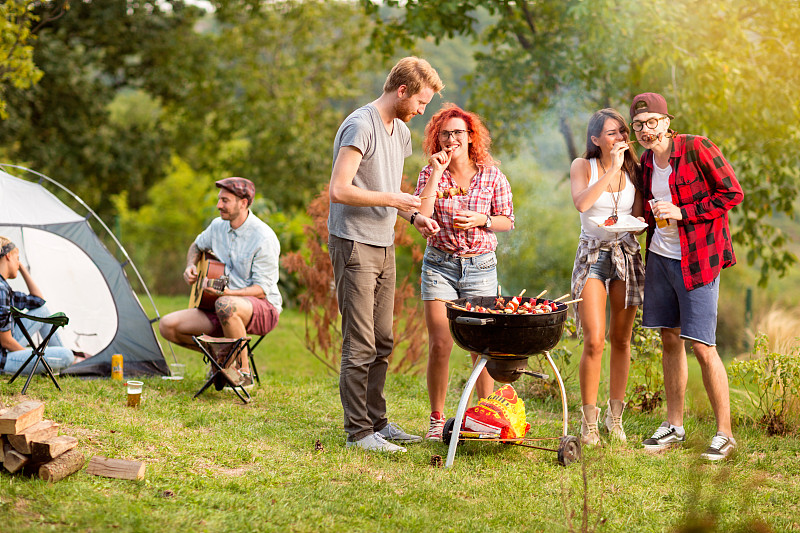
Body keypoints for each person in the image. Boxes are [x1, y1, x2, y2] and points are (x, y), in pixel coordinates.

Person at [328, 56, 443, 453]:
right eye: (420, 103)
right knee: (359, 341)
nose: (421, 111)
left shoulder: (401, 132)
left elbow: (386, 188)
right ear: (402, 90)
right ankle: (358, 432)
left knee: (382, 339)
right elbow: (340, 189)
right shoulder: (361, 125)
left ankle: (378, 423)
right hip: (353, 241)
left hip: (383, 241)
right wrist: (394, 198)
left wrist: (411, 217)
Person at [630, 93, 744, 461]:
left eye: (651, 123)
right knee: (669, 339)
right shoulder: (646, 163)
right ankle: (674, 426)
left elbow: (732, 193)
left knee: (702, 346)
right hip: (661, 257)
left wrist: (684, 211)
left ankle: (724, 434)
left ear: (666, 121)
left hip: (698, 260)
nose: (646, 131)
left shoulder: (697, 148)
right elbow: (649, 211)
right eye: (638, 126)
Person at [413, 103, 515, 441]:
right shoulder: (430, 172)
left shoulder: (491, 175)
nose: (452, 138)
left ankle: (482, 419)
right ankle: (437, 419)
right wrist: (437, 173)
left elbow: (506, 220)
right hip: (439, 264)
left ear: (470, 137)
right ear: (437, 138)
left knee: (481, 347)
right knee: (441, 343)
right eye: (445, 133)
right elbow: (421, 214)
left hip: (480, 266)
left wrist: (481, 220)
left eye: (458, 132)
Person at [159, 177, 282, 389]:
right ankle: (223, 360)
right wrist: (190, 266)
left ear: (243, 203)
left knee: (225, 304)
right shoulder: (217, 226)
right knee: (168, 326)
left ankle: (243, 373)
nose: (219, 205)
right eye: (219, 200)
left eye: (225, 200)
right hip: (219, 304)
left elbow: (262, 289)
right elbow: (197, 246)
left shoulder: (264, 237)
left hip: (261, 307)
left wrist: (229, 292)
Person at [569, 108, 645, 446]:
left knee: (622, 339)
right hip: (593, 256)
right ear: (596, 138)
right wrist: (611, 167)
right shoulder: (583, 166)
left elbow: (638, 216)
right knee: (594, 339)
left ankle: (616, 420)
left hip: (626, 254)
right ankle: (589, 423)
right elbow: (583, 204)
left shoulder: (635, 169)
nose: (619, 139)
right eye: (611, 133)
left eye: (622, 132)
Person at [0, 237, 75, 375]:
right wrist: (36, 356)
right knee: (67, 355)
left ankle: (57, 367)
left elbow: (38, 301)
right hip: (3, 359)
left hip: (6, 350)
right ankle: (58, 364)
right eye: (18, 258)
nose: (19, 263)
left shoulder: (4, 287)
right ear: (8, 256)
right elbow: (6, 342)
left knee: (43, 311)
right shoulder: (0, 289)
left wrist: (21, 268)